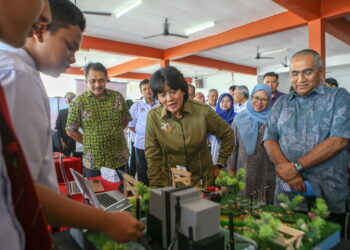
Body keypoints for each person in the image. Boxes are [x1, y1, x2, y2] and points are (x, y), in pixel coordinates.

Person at [0, 0, 144, 248]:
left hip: (117, 156)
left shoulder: (22, 71)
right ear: (41, 31)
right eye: (69, 46)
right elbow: (24, 188)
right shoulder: (18, 75)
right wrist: (105, 221)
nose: (73, 57)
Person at [263, 49, 350, 229]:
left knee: (324, 241)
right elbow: (269, 138)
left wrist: (296, 167)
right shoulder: (281, 103)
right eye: (295, 73)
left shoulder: (339, 97)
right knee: (285, 239)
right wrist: (287, 172)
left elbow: (339, 139)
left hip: (327, 194)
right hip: (288, 193)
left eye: (307, 72)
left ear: (320, 73)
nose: (300, 79)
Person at [145, 66, 233, 188]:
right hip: (171, 182)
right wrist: (155, 189)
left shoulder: (203, 111)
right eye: (163, 94)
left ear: (183, 90)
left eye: (173, 91)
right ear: (158, 98)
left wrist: (220, 163)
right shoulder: (154, 117)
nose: (169, 99)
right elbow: (153, 156)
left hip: (201, 180)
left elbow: (227, 134)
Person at [67, 62, 131, 178]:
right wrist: (90, 141)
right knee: (98, 195)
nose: (97, 84)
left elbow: (125, 120)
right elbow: (71, 130)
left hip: (119, 158)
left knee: (124, 193)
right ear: (86, 81)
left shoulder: (117, 97)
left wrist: (113, 132)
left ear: (106, 80)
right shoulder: (79, 102)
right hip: (94, 161)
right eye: (93, 81)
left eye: (101, 80)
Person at [227, 84, 275, 204]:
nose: (259, 102)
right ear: (251, 97)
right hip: (244, 168)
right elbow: (233, 145)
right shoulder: (239, 118)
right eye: (256, 98)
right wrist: (231, 168)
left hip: (267, 169)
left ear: (269, 100)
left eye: (264, 99)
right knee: (245, 203)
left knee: (265, 202)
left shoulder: (275, 119)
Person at [128, 79, 159, 185]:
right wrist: (143, 132)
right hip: (141, 144)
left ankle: (156, 194)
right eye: (144, 89)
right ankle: (144, 197)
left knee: (156, 171)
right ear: (141, 92)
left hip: (157, 145)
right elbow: (131, 125)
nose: (147, 91)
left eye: (149, 88)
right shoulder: (136, 106)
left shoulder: (160, 105)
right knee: (142, 172)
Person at [210, 93, 236, 165]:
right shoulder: (213, 116)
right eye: (222, 101)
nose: (225, 103)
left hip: (232, 146)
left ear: (232, 103)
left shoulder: (237, 117)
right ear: (219, 103)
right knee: (218, 168)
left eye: (228, 101)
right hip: (216, 146)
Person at [55, 92, 76, 156]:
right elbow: (57, 128)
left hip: (77, 144)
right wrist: (62, 141)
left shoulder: (80, 112)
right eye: (68, 99)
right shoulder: (61, 113)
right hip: (65, 143)